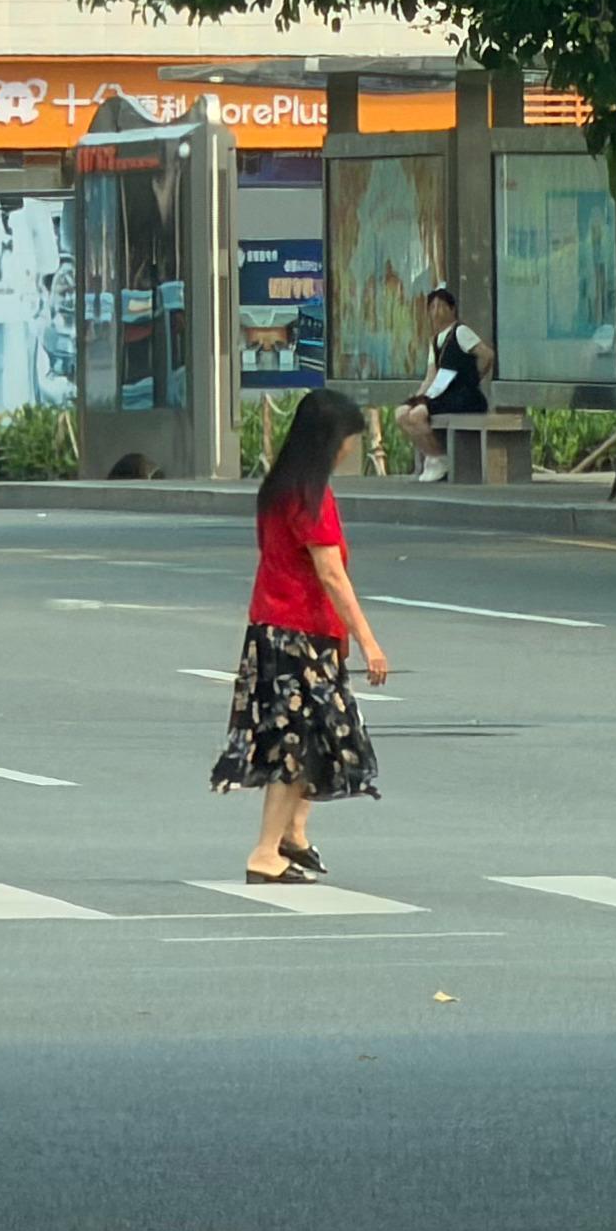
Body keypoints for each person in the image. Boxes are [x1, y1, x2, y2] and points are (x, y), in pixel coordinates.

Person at [212, 384, 387, 882]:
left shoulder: (280, 487)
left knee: (318, 736)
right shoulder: (310, 498)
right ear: (329, 440)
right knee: (298, 745)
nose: (350, 448)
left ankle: (294, 834)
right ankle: (265, 852)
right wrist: (369, 641)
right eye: (348, 438)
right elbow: (331, 574)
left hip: (279, 630)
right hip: (298, 635)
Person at [397, 286, 490, 481]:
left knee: (419, 414)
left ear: (452, 309)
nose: (436, 311)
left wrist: (474, 377)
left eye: (441, 306)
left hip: (464, 396)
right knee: (402, 413)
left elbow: (487, 355)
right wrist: (418, 397)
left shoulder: (461, 332)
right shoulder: (434, 341)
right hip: (443, 395)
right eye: (432, 307)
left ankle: (439, 458)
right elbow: (431, 376)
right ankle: (433, 454)